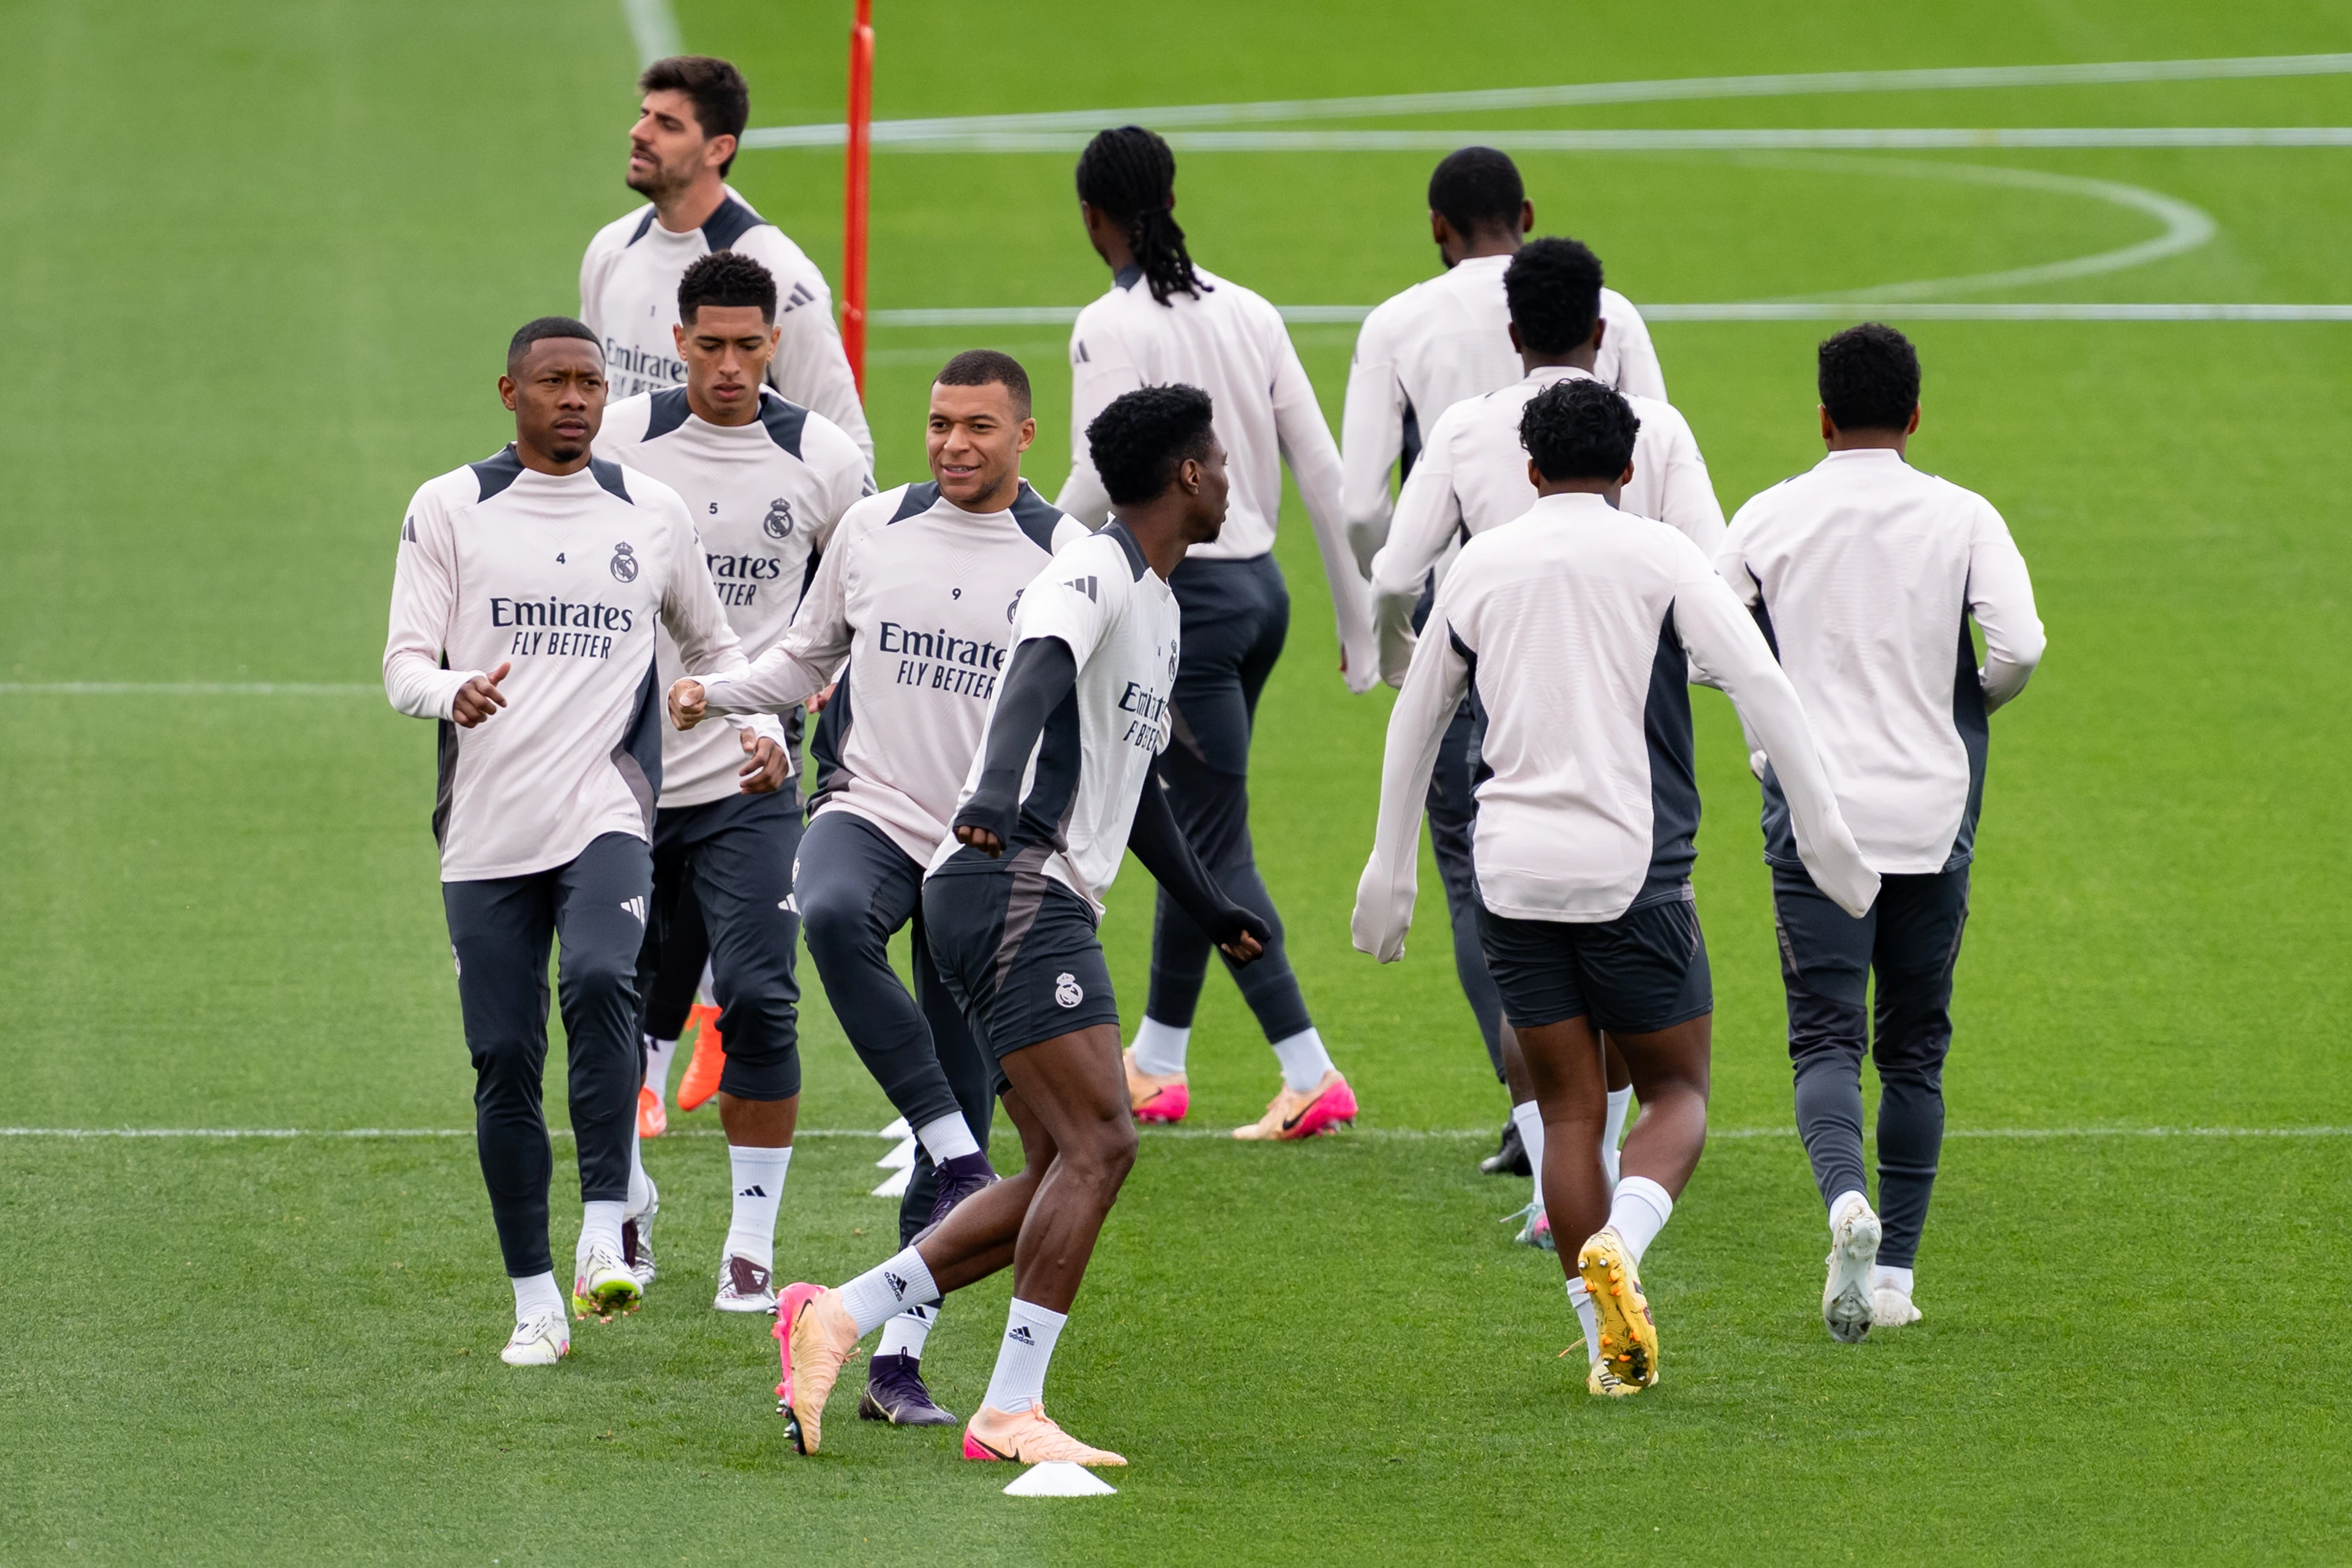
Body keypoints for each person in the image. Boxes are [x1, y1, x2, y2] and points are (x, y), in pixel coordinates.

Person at [772, 385, 1271, 1465]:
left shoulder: (1162, 605)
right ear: (1188, 475)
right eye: (1221, 460)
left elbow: (1133, 783)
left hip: (1027, 889)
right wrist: (992, 793)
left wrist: (1212, 906)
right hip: (1016, 883)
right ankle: (1009, 1409)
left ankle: (840, 1318)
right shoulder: (1089, 569)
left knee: (1053, 1163)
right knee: (1102, 1141)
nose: (1232, 478)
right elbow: (1037, 668)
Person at [1352, 378, 1878, 1396]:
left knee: (1569, 1108)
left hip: (1510, 880)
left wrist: (1389, 867)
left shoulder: (1482, 569)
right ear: (1631, 468)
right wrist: (1825, 830)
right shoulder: (1662, 556)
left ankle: (1603, 1347)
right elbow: (1762, 683)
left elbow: (1415, 718)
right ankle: (1622, 1249)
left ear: (1531, 469)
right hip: (1633, 876)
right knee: (1678, 1093)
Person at [671, 349, 1091, 1420]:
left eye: (979, 427)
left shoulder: (1066, 557)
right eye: (941, 423)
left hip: (985, 856)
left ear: (1026, 437)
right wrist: (717, 695)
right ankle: (950, 1147)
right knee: (827, 910)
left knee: (958, 1078)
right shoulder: (873, 525)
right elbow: (809, 657)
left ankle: (896, 1365)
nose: (954, 444)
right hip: (871, 807)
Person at [382, 317, 768, 1366]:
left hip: (606, 805)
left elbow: (714, 638)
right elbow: (401, 661)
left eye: (590, 383)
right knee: (503, 1059)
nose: (575, 400)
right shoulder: (450, 507)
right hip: (485, 829)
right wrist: (449, 690)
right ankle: (534, 1301)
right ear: (508, 390)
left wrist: (759, 720)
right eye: (552, 382)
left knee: (603, 977)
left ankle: (607, 1220)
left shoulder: (651, 511)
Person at [1369, 236, 1724, 1236]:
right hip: (1637, 718)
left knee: (1508, 928)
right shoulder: (1654, 430)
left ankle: (1552, 1180)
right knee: (1637, 945)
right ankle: (1611, 1187)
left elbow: (1396, 564)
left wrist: (1402, 657)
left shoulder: (1467, 431)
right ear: (1603, 332)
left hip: (1500, 699)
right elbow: (1721, 567)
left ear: (1511, 331)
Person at [1341, 151, 1668, 1178]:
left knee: (1484, 880)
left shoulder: (1400, 327)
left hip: (1478, 629)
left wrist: (1392, 638)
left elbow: (1362, 509)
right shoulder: (1619, 318)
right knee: (1635, 869)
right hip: (1626, 625)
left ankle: (1540, 1120)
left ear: (1439, 226)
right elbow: (1658, 451)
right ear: (1523, 217)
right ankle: (1608, 1117)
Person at [1715, 323, 2044, 1341]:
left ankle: (1842, 1202)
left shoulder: (1770, 517)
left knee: (1824, 1037)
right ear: (1913, 417)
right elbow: (2020, 645)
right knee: (1914, 1049)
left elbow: (1706, 651)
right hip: (1931, 813)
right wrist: (1969, 704)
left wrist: (1774, 738)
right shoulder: (1962, 514)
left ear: (1821, 416)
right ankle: (1894, 1272)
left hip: (1818, 814)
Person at [1054, 124, 1371, 1140]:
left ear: (1093, 217)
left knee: (1206, 844)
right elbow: (1329, 478)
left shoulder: (1108, 326)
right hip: (1261, 599)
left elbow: (1096, 476)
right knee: (1185, 821)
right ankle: (1159, 1059)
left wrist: (1028, 562)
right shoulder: (1250, 310)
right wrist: (1361, 624)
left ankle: (1308, 1067)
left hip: (1181, 612)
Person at [594, 251, 869, 1311]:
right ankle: (621, 1208)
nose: (729, 366)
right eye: (708, 345)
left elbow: (857, 609)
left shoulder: (828, 462)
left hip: (752, 785)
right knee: (609, 996)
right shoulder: (623, 441)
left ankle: (749, 1245)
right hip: (621, 779)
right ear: (677, 342)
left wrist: (794, 710)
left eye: (749, 346)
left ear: (774, 344)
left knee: (760, 996)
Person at [579, 54, 873, 470]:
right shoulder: (611, 249)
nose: (639, 132)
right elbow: (592, 395)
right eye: (644, 115)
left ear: (719, 148)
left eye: (667, 124)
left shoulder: (782, 276)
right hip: (627, 527)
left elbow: (847, 449)